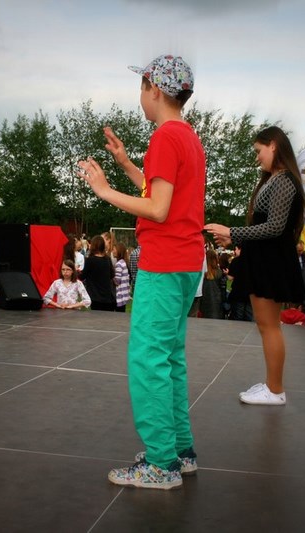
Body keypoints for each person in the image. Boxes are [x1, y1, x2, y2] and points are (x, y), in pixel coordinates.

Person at [77, 54, 204, 490]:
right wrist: (127, 164)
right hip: (186, 262)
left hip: (163, 263)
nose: (140, 96)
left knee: (148, 360)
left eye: (141, 87)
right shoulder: (187, 136)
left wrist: (104, 190)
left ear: (154, 89)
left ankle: (161, 464)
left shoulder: (165, 137)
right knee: (170, 358)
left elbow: (158, 208)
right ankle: (180, 452)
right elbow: (164, 193)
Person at [205, 125, 305, 406]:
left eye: (258, 150)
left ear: (273, 145)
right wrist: (234, 236)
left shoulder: (284, 181)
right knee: (266, 325)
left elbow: (274, 227)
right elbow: (268, 227)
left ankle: (275, 390)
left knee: (269, 326)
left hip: (270, 262)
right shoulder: (275, 179)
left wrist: (232, 231)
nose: (257, 157)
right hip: (265, 260)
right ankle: (272, 386)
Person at [79, 235, 116, 312]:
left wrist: (77, 271)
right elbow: (112, 275)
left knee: (96, 317)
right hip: (107, 296)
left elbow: (82, 276)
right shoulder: (107, 259)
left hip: (95, 296)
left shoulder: (90, 260)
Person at [226, 244, 253, 321]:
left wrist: (226, 273)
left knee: (238, 316)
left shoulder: (235, 261)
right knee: (249, 316)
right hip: (251, 292)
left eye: (236, 249)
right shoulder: (254, 261)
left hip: (238, 292)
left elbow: (230, 277)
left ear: (240, 249)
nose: (235, 251)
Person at [199, 248, 225, 319]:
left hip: (204, 299)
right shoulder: (219, 272)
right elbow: (222, 287)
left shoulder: (203, 272)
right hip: (217, 299)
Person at [112, 242, 130, 312]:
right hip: (124, 295)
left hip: (120, 296)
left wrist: (111, 276)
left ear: (119, 251)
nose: (113, 251)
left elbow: (117, 282)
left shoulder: (119, 264)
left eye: (114, 249)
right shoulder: (123, 262)